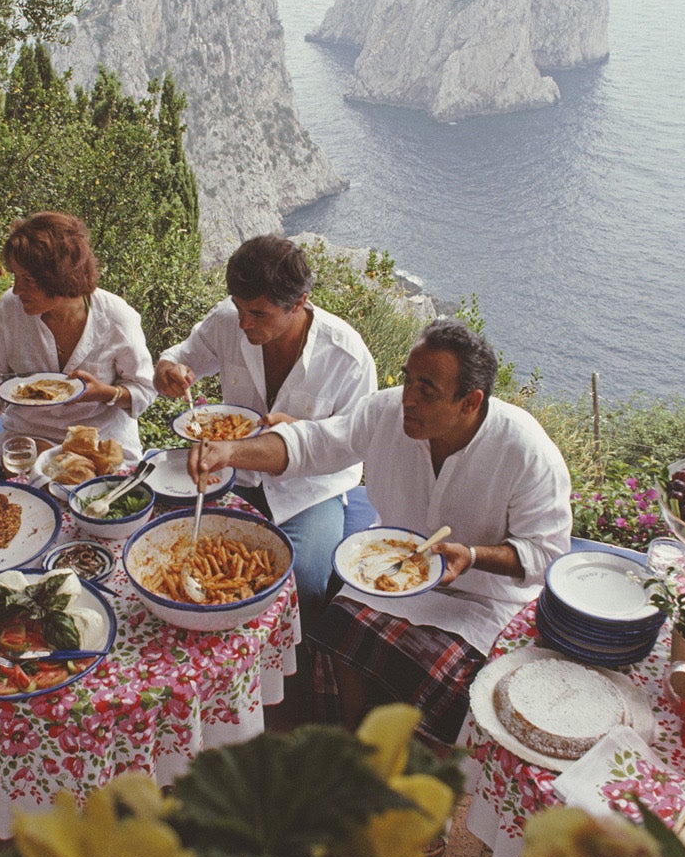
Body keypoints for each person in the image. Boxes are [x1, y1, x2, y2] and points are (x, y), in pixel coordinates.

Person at [187, 318, 571, 744]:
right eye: (408, 381)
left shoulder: (525, 452)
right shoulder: (385, 412)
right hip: (386, 572)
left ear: (470, 402)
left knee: (450, 682)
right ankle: (353, 742)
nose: (409, 400)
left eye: (428, 392)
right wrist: (229, 451)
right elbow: (311, 445)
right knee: (337, 628)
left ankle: (423, 763)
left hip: (481, 601)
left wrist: (474, 556)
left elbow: (547, 554)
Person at [154, 233, 376, 602]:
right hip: (234, 476)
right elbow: (183, 356)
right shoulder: (227, 321)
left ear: (299, 303)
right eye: (239, 309)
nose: (243, 324)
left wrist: (298, 436)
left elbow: (353, 444)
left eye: (258, 314)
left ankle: (295, 654)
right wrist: (168, 370)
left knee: (302, 580)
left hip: (309, 490)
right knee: (180, 551)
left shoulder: (346, 357)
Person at [0, 212, 157, 459]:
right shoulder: (11, 308)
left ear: (61, 276)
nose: (16, 289)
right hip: (31, 438)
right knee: (42, 477)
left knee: (84, 482)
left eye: (29, 280)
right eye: (15, 276)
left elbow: (145, 391)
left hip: (100, 442)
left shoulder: (117, 318)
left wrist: (103, 393)